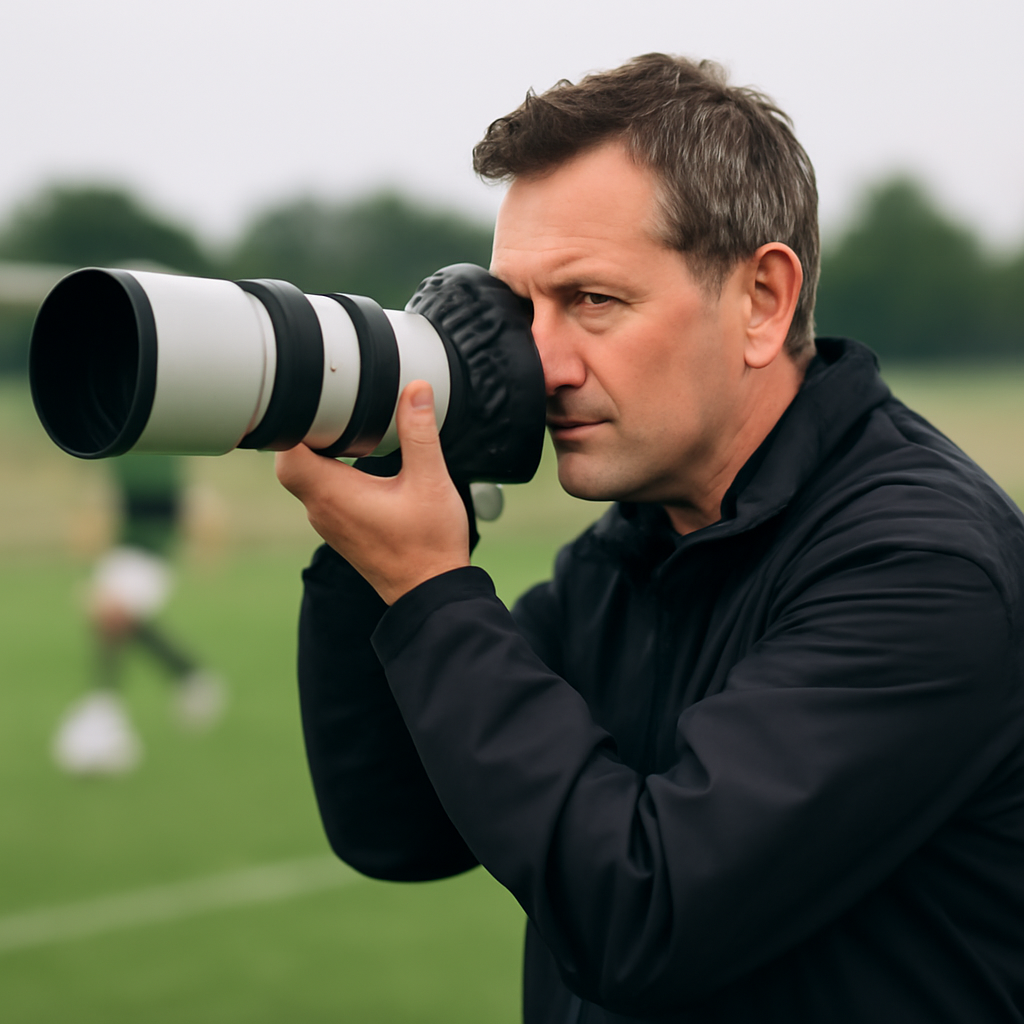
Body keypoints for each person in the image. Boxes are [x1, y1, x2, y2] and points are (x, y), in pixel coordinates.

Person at [275, 54, 1024, 1023]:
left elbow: (641, 912)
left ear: (762, 299)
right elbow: (396, 828)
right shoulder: (635, 550)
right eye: (518, 307)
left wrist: (430, 590)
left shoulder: (921, 569)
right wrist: (363, 549)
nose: (541, 361)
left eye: (592, 300)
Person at [53, 454, 225, 775]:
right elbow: (104, 501)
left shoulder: (163, 454)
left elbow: (192, 502)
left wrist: (206, 546)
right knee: (113, 621)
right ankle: (187, 679)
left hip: (152, 554)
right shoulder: (120, 452)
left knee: (111, 614)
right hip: (122, 552)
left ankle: (111, 704)